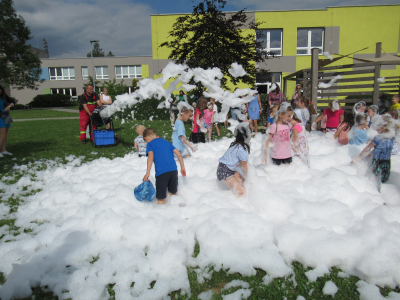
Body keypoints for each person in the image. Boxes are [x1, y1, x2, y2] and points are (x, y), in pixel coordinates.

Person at [353, 114, 399, 190]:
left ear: (383, 127)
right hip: (387, 163)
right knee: (384, 181)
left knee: (374, 180)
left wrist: (358, 158)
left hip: (377, 162)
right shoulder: (392, 137)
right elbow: (380, 149)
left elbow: (367, 148)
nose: (376, 129)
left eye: (377, 126)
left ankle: (376, 194)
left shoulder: (378, 138)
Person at [143, 128, 186, 204]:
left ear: (146, 138)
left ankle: (162, 214)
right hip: (173, 171)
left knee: (161, 198)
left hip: (162, 173)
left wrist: (147, 173)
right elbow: (179, 154)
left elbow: (150, 157)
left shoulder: (150, 144)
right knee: (173, 194)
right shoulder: (167, 142)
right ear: (157, 136)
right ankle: (179, 210)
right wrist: (182, 167)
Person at [217, 123, 250, 197]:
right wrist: (250, 179)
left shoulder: (235, 145)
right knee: (241, 192)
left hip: (222, 170)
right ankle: (235, 206)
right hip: (225, 172)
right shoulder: (241, 150)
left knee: (242, 183)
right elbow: (245, 168)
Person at [0, 85, 14, 157]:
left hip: (5, 116)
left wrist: (8, 106)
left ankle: (4, 150)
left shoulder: (4, 97)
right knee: (3, 135)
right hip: (0, 117)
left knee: (5, 135)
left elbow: (12, 102)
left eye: (0, 89)